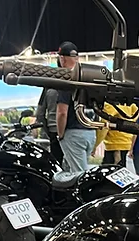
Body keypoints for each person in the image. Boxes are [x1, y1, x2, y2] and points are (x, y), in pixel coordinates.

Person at [55, 41, 96, 174]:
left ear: (62, 59)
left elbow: (62, 112)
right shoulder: (87, 77)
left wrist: (60, 135)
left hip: (73, 133)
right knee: (68, 171)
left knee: (80, 175)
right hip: (90, 133)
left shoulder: (66, 79)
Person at [96, 101, 138, 167]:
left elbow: (104, 126)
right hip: (126, 142)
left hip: (114, 144)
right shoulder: (130, 105)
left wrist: (95, 144)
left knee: (111, 168)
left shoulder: (111, 105)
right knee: (121, 167)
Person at [35, 87, 63, 165]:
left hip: (53, 128)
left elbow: (39, 114)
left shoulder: (47, 89)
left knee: (56, 162)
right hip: (72, 129)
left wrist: (47, 128)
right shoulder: (70, 86)